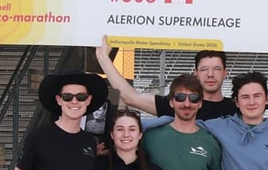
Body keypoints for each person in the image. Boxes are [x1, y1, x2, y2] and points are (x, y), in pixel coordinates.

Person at [95, 37, 237, 119]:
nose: (210, 74)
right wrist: (103, 57)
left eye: (216, 69)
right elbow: (130, 97)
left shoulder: (237, 109)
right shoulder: (180, 104)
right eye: (204, 69)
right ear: (196, 73)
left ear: (226, 73)